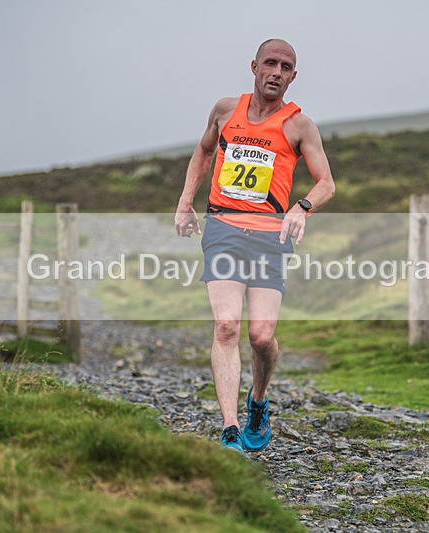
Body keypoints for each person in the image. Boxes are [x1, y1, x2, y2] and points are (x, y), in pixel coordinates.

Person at [174, 39, 335, 455]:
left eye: (286, 67)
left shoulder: (300, 126)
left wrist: (302, 208)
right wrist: (185, 201)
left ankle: (258, 402)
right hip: (224, 227)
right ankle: (229, 430)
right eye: (271, 63)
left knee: (262, 336)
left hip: (269, 236)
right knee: (226, 326)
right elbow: (204, 151)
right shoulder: (225, 110)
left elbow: (326, 184)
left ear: (293, 76)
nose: (277, 72)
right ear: (254, 67)